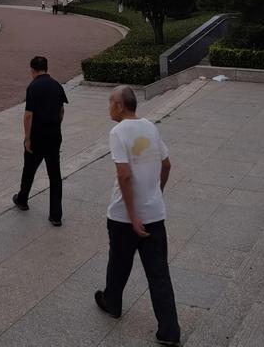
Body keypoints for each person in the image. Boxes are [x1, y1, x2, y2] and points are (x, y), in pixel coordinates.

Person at [94, 86, 181, 347]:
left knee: (119, 262)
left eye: (111, 102)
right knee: (159, 273)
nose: (109, 107)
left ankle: (112, 303)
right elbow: (166, 165)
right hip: (154, 215)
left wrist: (133, 216)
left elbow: (124, 175)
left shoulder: (118, 132)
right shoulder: (150, 127)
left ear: (120, 106)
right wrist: (156, 194)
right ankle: (169, 331)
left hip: (124, 217)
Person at [13, 55, 68, 226]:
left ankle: (22, 199)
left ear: (32, 70)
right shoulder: (56, 85)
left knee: (29, 169)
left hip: (37, 136)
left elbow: (28, 115)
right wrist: (56, 125)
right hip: (54, 136)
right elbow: (61, 111)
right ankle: (56, 215)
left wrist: (27, 138)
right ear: (46, 68)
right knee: (55, 175)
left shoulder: (33, 87)